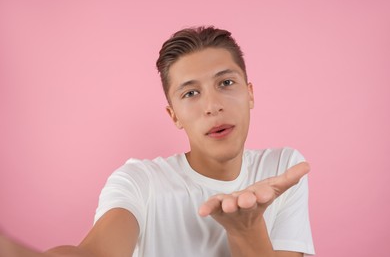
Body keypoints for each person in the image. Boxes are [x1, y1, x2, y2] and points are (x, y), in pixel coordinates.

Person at [0, 26, 315, 257]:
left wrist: (246, 228)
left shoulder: (282, 170)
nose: (212, 105)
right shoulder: (140, 181)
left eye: (226, 82)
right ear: (174, 115)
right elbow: (95, 253)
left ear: (250, 94)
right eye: (191, 92)